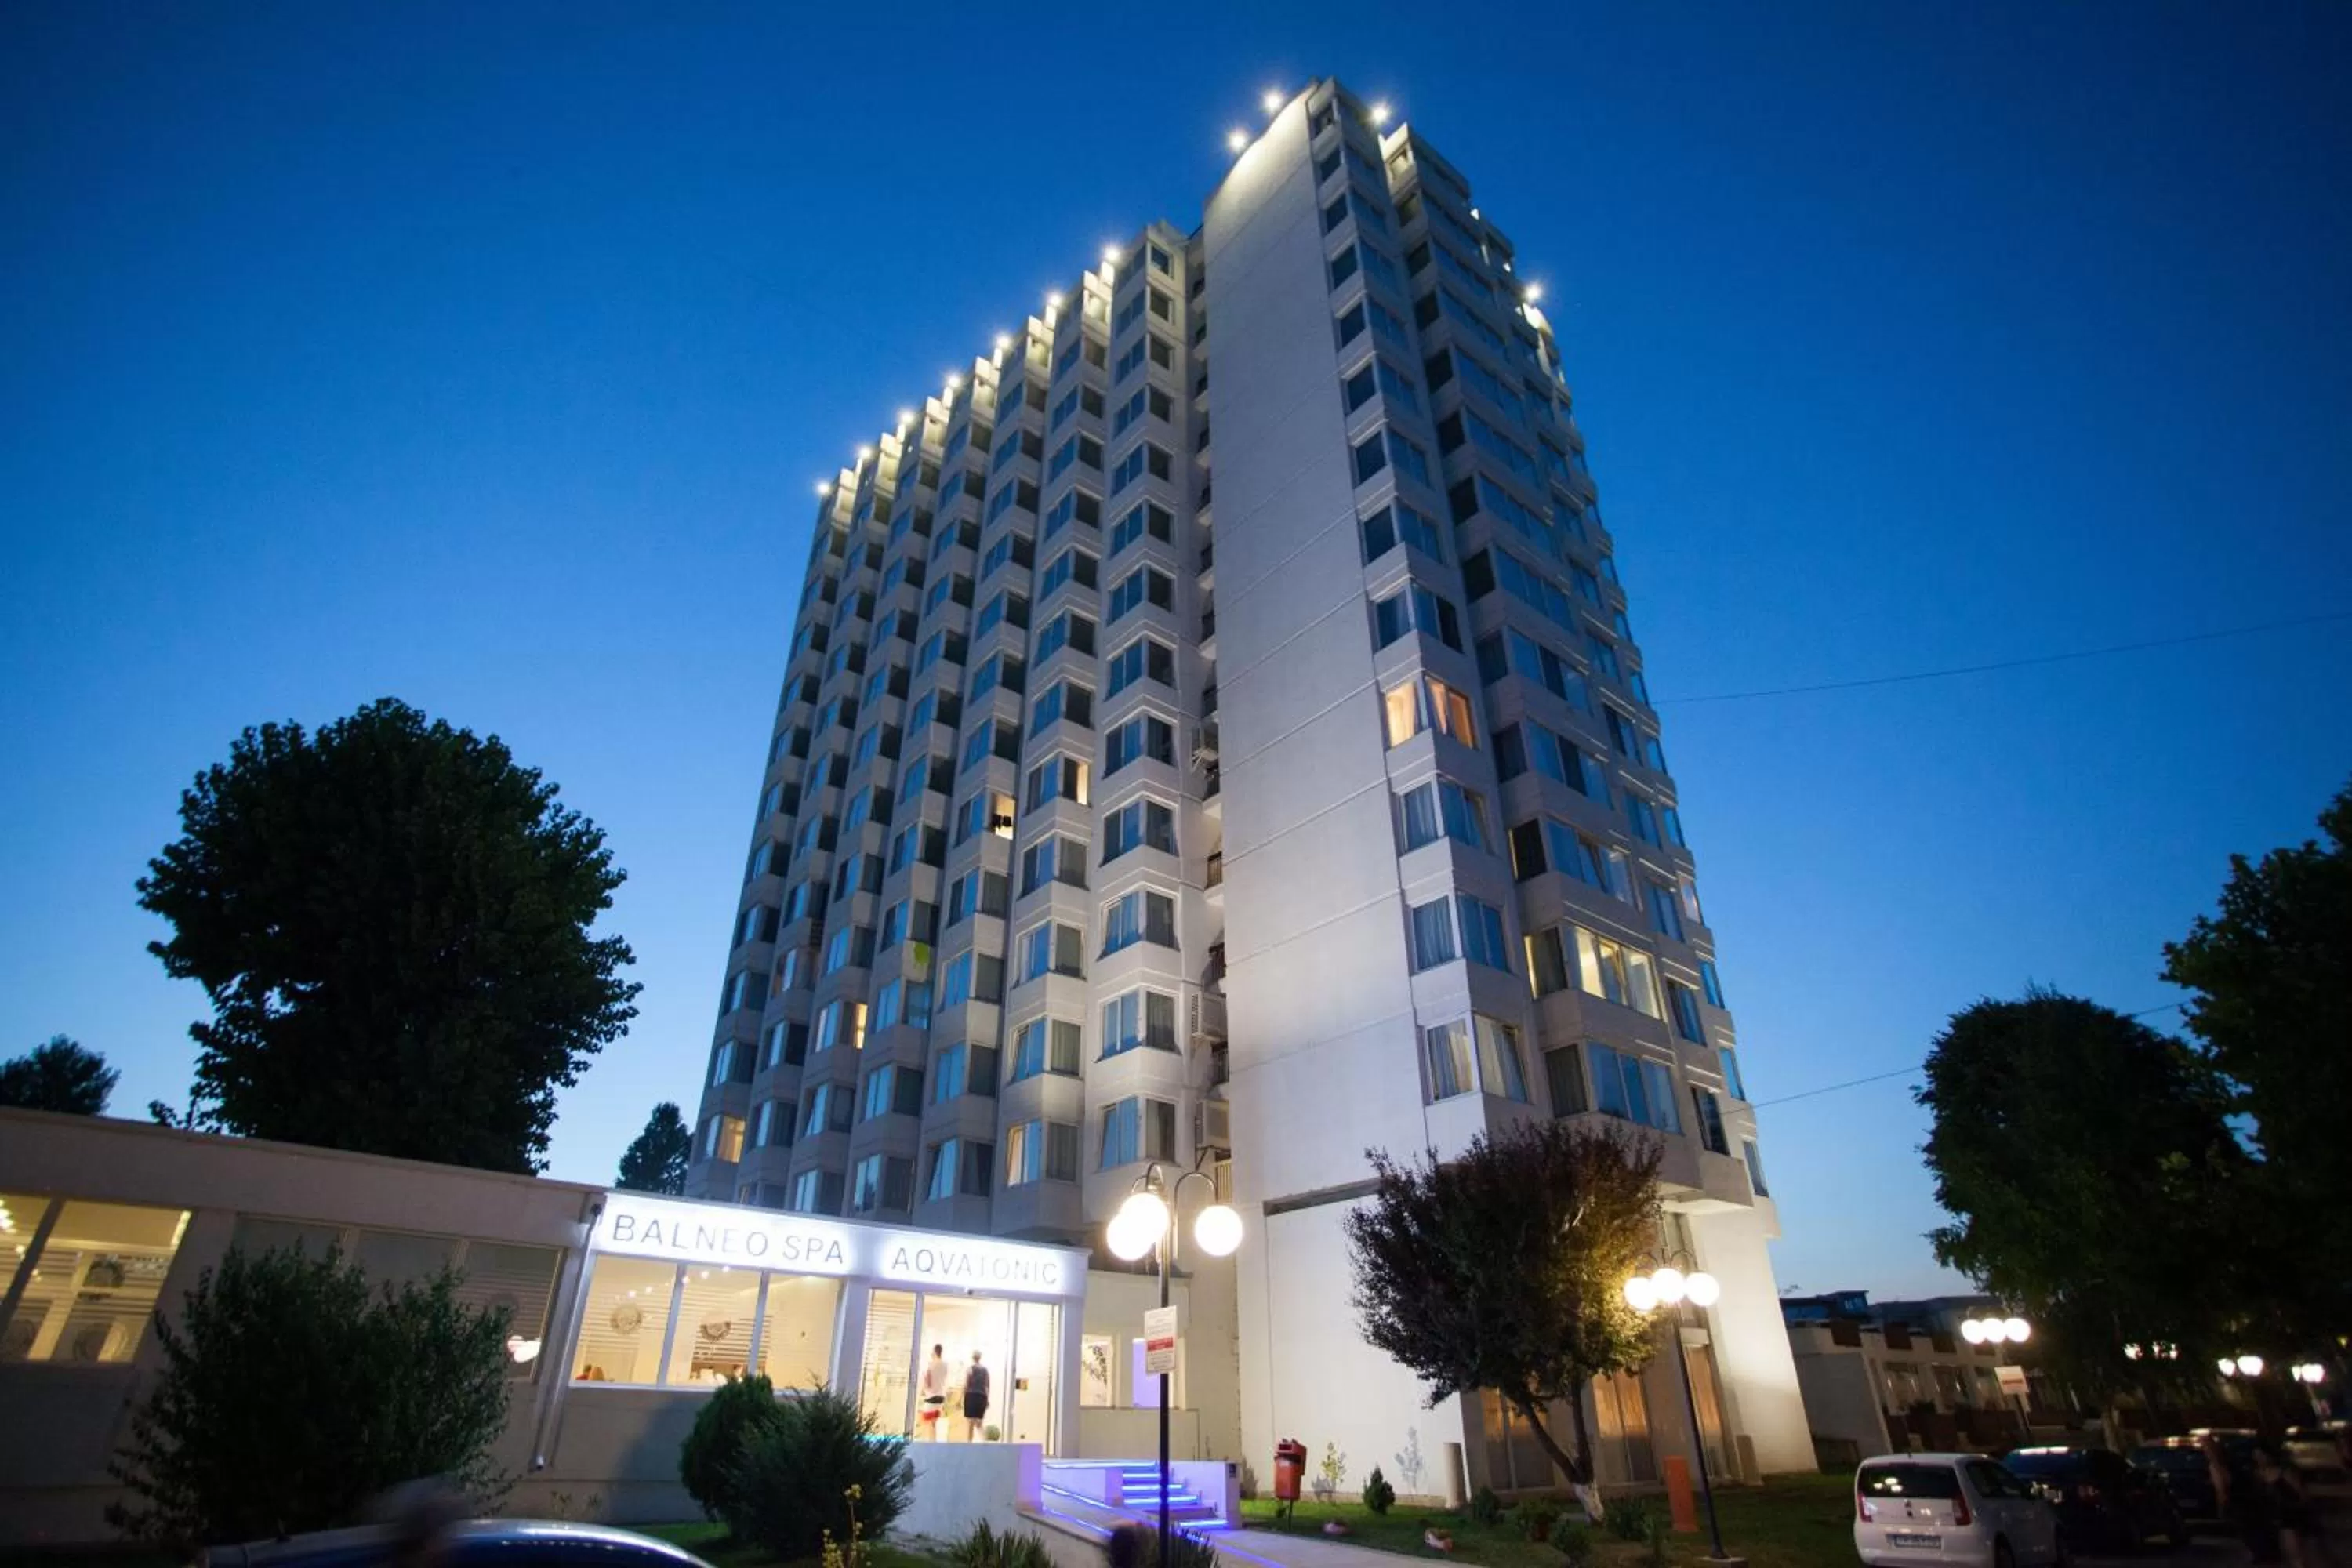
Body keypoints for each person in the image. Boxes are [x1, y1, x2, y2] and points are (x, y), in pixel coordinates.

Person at [918, 1343, 951, 1439]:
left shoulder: (931, 1365)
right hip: (941, 1397)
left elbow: (927, 1383)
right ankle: (933, 1442)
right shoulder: (945, 1365)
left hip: (931, 1396)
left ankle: (930, 1443)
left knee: (928, 1423)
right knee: (934, 1423)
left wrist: (923, 1389)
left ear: (934, 1352)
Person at [962, 1348, 991, 1440]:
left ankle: (969, 1445)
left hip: (971, 1396)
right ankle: (985, 1441)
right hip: (982, 1397)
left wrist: (961, 1398)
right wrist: (987, 1399)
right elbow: (987, 1386)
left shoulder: (970, 1369)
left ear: (973, 1358)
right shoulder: (985, 1370)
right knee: (979, 1423)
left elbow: (966, 1385)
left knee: (970, 1422)